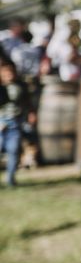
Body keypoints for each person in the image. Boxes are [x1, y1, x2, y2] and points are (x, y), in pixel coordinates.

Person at [0, 59, 32, 187]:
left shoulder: (21, 86)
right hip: (1, 122)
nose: (9, 75)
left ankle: (10, 180)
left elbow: (27, 103)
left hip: (15, 122)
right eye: (6, 72)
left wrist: (30, 114)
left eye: (11, 72)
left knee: (13, 151)